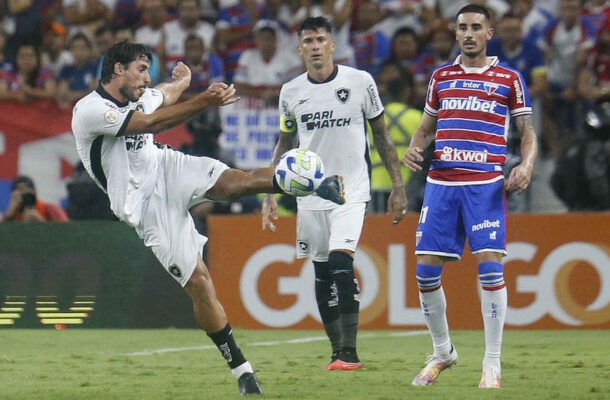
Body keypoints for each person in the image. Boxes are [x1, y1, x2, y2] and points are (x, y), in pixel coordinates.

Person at [70, 39, 344, 396]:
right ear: (117, 69)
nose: (147, 80)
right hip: (144, 206)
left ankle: (315, 183)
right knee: (200, 282)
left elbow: (164, 94)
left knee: (236, 183)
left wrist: (182, 80)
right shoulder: (89, 111)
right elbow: (148, 123)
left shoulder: (141, 94)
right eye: (141, 70)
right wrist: (203, 99)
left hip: (166, 167)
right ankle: (243, 371)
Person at [402, 4, 538, 389]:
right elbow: (426, 128)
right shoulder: (441, 77)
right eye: (462, 27)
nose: (468, 33)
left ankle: (491, 363)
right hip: (441, 183)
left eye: (476, 27)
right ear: (455, 31)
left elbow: (527, 132)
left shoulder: (509, 78)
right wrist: (415, 147)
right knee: (425, 271)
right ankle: (443, 352)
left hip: (485, 183)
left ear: (489, 33)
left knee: (490, 267)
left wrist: (525, 166)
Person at [261, 16, 407, 371]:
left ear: (332, 45)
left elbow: (383, 137)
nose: (314, 46)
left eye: (320, 40)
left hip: (351, 189)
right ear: (299, 49)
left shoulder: (360, 82)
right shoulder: (291, 92)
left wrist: (398, 186)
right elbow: (284, 144)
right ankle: (335, 350)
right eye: (307, 41)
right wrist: (269, 195)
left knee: (342, 261)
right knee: (322, 272)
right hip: (310, 195)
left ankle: (349, 353)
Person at [2, 175, 69, 222]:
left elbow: (68, 233)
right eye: (21, 193)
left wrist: (41, 223)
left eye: (28, 194)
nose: (25, 197)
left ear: (34, 193)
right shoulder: (11, 215)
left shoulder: (50, 210)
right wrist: (9, 215)